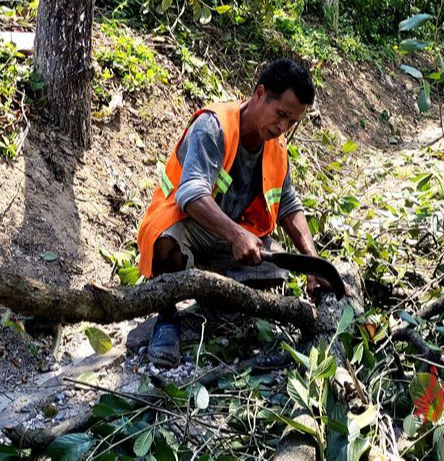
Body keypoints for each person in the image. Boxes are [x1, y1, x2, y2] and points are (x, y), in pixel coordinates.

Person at [137, 58, 327, 367]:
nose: (282, 128)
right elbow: (191, 194)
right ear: (260, 94)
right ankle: (167, 318)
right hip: (186, 226)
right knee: (165, 244)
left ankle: (213, 301)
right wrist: (236, 234)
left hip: (226, 242)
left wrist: (313, 262)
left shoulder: (276, 148)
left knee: (276, 271)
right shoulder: (214, 126)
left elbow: (289, 206)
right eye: (280, 115)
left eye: (291, 122)